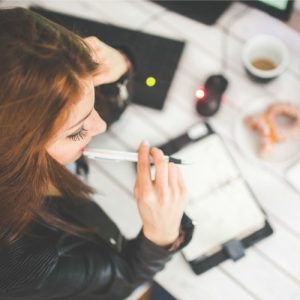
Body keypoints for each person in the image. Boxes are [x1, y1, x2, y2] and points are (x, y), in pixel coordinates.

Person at [0, 7, 194, 300]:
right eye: (77, 131)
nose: (100, 126)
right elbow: (124, 281)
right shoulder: (23, 261)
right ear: (16, 152)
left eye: (92, 92)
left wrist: (121, 65)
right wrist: (161, 236)